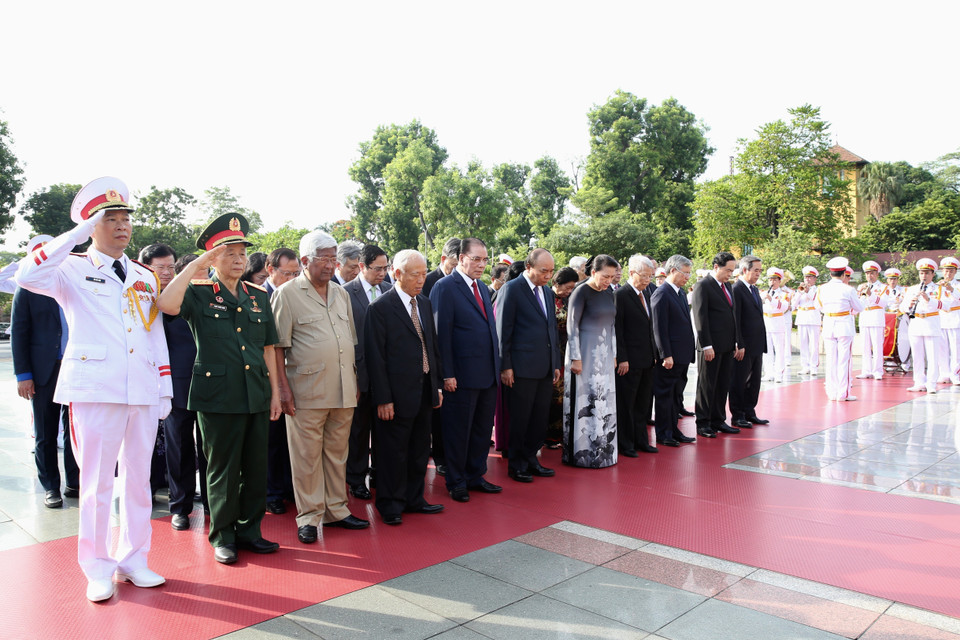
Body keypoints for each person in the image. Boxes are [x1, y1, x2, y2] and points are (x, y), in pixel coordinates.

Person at [16, 177, 172, 601]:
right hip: (95, 389)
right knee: (98, 482)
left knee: (138, 481)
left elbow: (153, 331)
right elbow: (26, 275)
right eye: (111, 220)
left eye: (126, 220)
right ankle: (97, 566)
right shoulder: (70, 267)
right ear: (91, 226)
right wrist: (76, 235)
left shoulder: (143, 274)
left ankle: (134, 558)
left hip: (140, 387)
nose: (123, 227)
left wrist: (164, 387)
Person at [157, 213, 282, 565]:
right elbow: (166, 304)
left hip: (255, 393)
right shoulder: (198, 293)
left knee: (255, 468)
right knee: (222, 470)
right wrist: (196, 264)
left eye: (242, 253)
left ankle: (250, 531)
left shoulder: (258, 296)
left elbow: (268, 348)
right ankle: (222, 535)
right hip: (218, 397)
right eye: (230, 253)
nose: (240, 259)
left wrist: (275, 392)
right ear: (213, 258)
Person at [271, 230, 370, 544]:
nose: (331, 265)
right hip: (306, 391)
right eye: (324, 259)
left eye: (333, 258)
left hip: (342, 389)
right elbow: (276, 348)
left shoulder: (340, 294)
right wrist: (282, 390)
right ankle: (309, 516)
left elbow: (351, 342)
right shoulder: (287, 294)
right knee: (307, 457)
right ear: (305, 261)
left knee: (338, 454)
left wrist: (354, 381)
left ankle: (336, 509)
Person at [365, 249, 445, 524]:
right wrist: (383, 398)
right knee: (392, 452)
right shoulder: (380, 308)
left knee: (419, 448)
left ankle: (414, 498)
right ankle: (389, 504)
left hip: (423, 388)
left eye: (424, 274)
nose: (422, 280)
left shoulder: (422, 303)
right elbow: (376, 357)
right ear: (397, 274)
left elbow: (431, 347)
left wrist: (436, 385)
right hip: (395, 395)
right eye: (415, 274)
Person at [430, 237, 502, 501]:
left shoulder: (482, 288)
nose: (481, 264)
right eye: (476, 259)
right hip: (459, 376)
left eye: (484, 260)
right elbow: (441, 335)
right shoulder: (445, 287)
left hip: (487, 374)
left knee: (482, 430)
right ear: (461, 259)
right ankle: (456, 480)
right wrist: (446, 373)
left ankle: (475, 474)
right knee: (458, 431)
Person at [140, 243, 206, 531]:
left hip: (207, 381)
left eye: (170, 267)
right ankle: (180, 507)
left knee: (209, 447)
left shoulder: (195, 295)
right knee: (178, 446)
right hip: (172, 383)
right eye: (160, 268)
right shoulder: (143, 298)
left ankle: (213, 501)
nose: (166, 273)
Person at [11, 234, 79, 509]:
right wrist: (23, 375)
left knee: (75, 430)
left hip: (76, 367)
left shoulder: (72, 280)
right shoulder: (27, 288)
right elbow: (19, 333)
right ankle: (51, 486)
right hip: (43, 371)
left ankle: (74, 482)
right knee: (45, 431)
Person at [496, 248, 561, 481]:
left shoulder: (548, 293)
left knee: (539, 417)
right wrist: (505, 366)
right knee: (520, 418)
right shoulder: (512, 290)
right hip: (520, 368)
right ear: (529, 267)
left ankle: (532, 459)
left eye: (551, 271)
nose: (548, 276)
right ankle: (517, 464)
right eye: (544, 271)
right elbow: (503, 330)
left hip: (544, 367)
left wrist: (555, 362)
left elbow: (551, 328)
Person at [343, 244, 392, 500]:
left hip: (385, 372)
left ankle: (379, 473)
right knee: (359, 431)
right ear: (362, 266)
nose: (383, 273)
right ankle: (355, 479)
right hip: (358, 372)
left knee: (383, 427)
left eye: (386, 267)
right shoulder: (345, 293)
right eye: (377, 268)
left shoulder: (388, 289)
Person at [563, 254, 620, 467]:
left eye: (612, 277)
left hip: (605, 355)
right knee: (586, 400)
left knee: (604, 400)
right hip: (584, 354)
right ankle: (582, 454)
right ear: (593, 272)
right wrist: (575, 358)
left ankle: (604, 451)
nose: (609, 281)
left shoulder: (609, 293)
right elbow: (572, 326)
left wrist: (614, 354)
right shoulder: (580, 292)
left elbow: (612, 326)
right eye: (605, 276)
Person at [262, 248, 300, 515]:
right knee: (272, 441)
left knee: (293, 440)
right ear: (270, 269)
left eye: (296, 274)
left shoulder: (299, 296)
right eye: (287, 273)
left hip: (296, 378)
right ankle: (272, 492)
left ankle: (290, 487)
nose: (292, 279)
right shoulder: (257, 296)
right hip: (266, 381)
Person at [691, 251, 743, 439]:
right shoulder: (703, 285)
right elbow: (700, 317)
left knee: (722, 384)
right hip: (710, 346)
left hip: (727, 345)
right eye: (728, 270)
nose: (730, 274)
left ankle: (718, 420)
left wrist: (736, 341)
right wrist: (706, 345)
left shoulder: (727, 286)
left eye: (732, 270)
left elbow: (732, 315)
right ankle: (703, 422)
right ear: (716, 267)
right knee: (707, 385)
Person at [422, 236, 460, 476]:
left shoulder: (467, 283)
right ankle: (440, 457)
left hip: (458, 356)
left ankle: (452, 455)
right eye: (454, 263)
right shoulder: (428, 282)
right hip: (433, 356)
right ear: (444, 259)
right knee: (437, 411)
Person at [650, 255, 697, 447]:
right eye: (684, 273)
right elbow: (659, 328)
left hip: (682, 354)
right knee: (665, 395)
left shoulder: (678, 292)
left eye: (689, 273)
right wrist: (665, 354)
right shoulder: (662, 293)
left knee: (676, 395)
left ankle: (673, 429)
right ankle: (664, 433)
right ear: (672, 271)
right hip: (670, 356)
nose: (687, 277)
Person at [614, 255, 658, 456]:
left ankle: (642, 440)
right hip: (629, 361)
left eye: (651, 276)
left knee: (643, 403)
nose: (648, 280)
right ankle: (626, 443)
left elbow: (650, 327)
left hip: (647, 359)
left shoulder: (647, 293)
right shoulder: (621, 295)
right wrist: (622, 357)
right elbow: (618, 330)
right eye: (645, 276)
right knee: (627, 404)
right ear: (631, 273)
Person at [815, 257, 864, 401]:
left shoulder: (822, 288)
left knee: (831, 360)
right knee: (844, 360)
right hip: (844, 325)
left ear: (830, 274)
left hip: (829, 323)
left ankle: (832, 392)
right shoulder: (848, 289)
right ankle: (843, 393)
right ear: (843, 274)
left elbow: (818, 306)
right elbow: (859, 307)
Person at [729, 255, 769, 429]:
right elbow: (735, 319)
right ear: (744, 270)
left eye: (760, 270)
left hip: (756, 343)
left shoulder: (753, 289)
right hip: (744, 345)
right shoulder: (737, 289)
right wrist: (739, 343)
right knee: (739, 380)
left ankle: (749, 411)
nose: (758, 274)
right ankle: (737, 415)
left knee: (754, 381)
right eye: (756, 270)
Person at [546, 267, 579, 448]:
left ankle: (561, 435)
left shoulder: (570, 300)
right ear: (556, 283)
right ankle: (549, 437)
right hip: (553, 352)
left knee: (565, 396)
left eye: (572, 288)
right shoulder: (547, 298)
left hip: (568, 352)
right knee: (553, 398)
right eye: (566, 287)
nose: (569, 291)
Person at [900, 258, 944, 394]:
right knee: (917, 355)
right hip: (916, 323)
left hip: (931, 323)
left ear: (932, 274)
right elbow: (902, 307)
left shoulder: (939, 289)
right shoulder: (912, 289)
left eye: (927, 273)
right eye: (921, 273)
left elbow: (946, 305)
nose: (924, 276)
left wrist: (928, 300)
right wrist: (910, 305)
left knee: (932, 356)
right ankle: (919, 382)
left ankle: (931, 383)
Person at [856, 261, 891, 381]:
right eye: (867, 274)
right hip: (865, 315)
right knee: (865, 346)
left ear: (877, 274)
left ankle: (877, 370)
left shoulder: (884, 287)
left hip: (876, 316)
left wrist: (871, 295)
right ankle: (866, 370)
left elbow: (884, 303)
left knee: (877, 345)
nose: (870, 276)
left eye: (872, 273)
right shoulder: (861, 286)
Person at [791, 266, 822, 376]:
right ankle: (805, 366)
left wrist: (808, 292)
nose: (807, 280)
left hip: (813, 317)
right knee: (803, 344)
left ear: (815, 279)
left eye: (810, 277)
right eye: (806, 277)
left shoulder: (818, 290)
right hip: (802, 317)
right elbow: (793, 305)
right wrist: (799, 293)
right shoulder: (799, 290)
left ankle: (814, 367)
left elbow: (817, 302)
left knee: (814, 345)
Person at [937, 257, 960, 385]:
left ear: (955, 272)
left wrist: (951, 289)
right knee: (942, 349)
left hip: (955, 319)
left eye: (951, 271)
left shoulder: (957, 285)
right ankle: (944, 374)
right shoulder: (937, 286)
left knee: (956, 350)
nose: (948, 274)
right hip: (941, 319)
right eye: (946, 271)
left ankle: (955, 374)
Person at [885, 268, 911, 371]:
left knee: (904, 340)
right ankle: (890, 360)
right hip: (888, 317)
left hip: (900, 317)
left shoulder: (904, 290)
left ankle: (905, 362)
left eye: (895, 279)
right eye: (890, 279)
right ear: (887, 280)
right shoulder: (883, 290)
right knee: (888, 339)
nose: (892, 281)